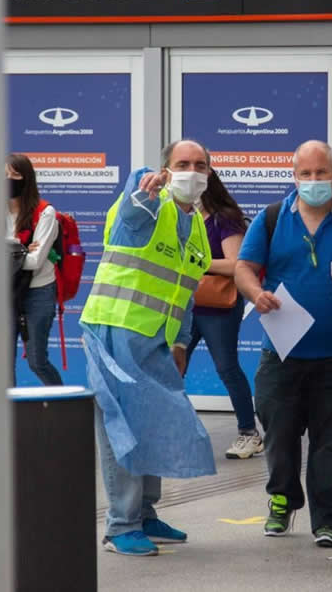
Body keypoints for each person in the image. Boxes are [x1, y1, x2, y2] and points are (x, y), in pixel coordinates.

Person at [234, 139, 332, 548]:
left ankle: (326, 519)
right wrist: (255, 293)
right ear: (295, 176)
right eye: (305, 174)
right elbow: (244, 268)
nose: (313, 181)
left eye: (321, 173)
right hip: (282, 351)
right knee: (278, 431)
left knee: (331, 441)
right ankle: (283, 499)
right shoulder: (271, 218)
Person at [80, 139, 216, 557]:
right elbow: (131, 217)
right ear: (165, 169)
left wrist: (179, 341)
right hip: (114, 332)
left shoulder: (195, 227)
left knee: (154, 424)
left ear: (209, 174)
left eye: (199, 165)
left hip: (155, 341)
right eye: (182, 163)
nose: (191, 171)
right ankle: (121, 525)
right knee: (122, 428)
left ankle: (145, 513)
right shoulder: (147, 206)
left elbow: (186, 292)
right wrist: (142, 195)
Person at [186, 169, 264, 459]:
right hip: (187, 304)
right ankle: (175, 431)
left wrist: (198, 263)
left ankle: (249, 433)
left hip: (218, 307)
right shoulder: (186, 218)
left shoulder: (224, 218)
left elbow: (236, 264)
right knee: (172, 366)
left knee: (226, 367)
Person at [6, 153, 64, 386]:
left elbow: (35, 261)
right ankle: (7, 417)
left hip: (38, 292)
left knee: (37, 361)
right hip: (6, 293)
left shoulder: (45, 213)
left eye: (15, 174)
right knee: (2, 365)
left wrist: (10, 251)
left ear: (27, 178)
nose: (8, 179)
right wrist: (21, 250)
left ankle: (64, 406)